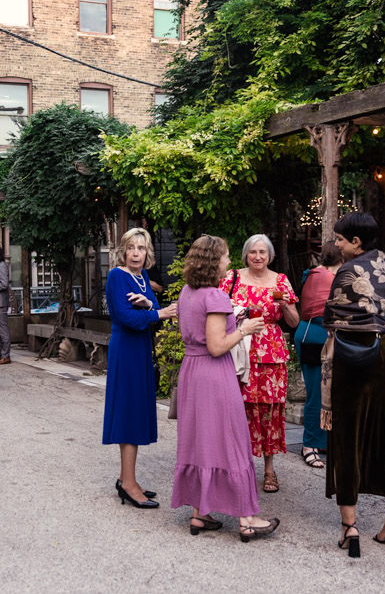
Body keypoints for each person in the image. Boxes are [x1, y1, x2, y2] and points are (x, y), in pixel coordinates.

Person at [171, 234, 279, 541]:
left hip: (191, 371)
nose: (228, 261)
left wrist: (234, 317)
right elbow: (217, 346)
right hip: (213, 373)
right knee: (231, 440)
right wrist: (244, 328)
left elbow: (197, 333)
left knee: (200, 440)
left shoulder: (187, 293)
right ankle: (247, 519)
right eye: (225, 256)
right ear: (212, 261)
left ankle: (199, 514)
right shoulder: (215, 296)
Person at [322, 212, 385, 558]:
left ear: (356, 242)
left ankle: (350, 527)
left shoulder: (348, 271)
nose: (336, 245)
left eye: (340, 240)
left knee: (348, 434)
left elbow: (330, 315)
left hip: (353, 352)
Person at [102, 227, 177, 509]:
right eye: (132, 248)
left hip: (142, 348)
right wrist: (158, 312)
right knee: (129, 413)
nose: (136, 253)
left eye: (141, 248)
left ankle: (127, 478)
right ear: (123, 250)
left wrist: (149, 305)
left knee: (136, 410)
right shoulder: (117, 276)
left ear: (148, 253)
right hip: (126, 350)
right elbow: (124, 316)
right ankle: (129, 484)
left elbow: (149, 310)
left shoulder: (143, 277)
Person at [219, 234, 299, 493]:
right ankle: (239, 467)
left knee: (269, 411)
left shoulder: (280, 281)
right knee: (239, 408)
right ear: (246, 254)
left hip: (271, 353)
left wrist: (283, 305)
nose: (258, 256)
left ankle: (269, 470)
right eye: (253, 252)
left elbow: (295, 322)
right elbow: (218, 310)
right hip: (239, 348)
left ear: (270, 255)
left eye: (263, 252)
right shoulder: (232, 278)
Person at [293, 241, 340, 468]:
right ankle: (309, 444)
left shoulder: (311, 273)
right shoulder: (325, 277)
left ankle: (321, 440)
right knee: (316, 393)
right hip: (315, 335)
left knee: (327, 393)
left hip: (316, 334)